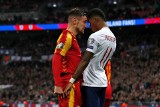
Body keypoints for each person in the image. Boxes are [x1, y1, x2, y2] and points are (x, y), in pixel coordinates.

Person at [64, 8, 116, 107]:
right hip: (102, 82)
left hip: (91, 83)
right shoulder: (113, 38)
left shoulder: (95, 36)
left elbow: (85, 60)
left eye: (90, 22)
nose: (89, 26)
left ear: (96, 20)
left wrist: (71, 80)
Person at [52, 8, 87, 107]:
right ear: (74, 21)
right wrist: (58, 84)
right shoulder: (66, 37)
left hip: (73, 83)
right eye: (84, 22)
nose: (85, 26)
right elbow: (56, 58)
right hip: (68, 84)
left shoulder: (72, 38)